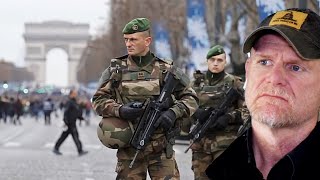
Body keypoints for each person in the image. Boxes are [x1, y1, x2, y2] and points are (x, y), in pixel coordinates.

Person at [205, 8, 320, 179]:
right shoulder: (215, 170)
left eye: (295, 67)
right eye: (264, 62)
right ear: (248, 68)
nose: (274, 78)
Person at [92, 17, 198, 179]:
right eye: (126, 39)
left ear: (147, 41)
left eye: (133, 39)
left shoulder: (166, 70)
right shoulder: (116, 70)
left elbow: (191, 98)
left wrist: (173, 112)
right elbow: (98, 100)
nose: (128, 44)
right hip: (130, 148)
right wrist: (120, 110)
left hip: (161, 147)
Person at [187, 45, 247, 180]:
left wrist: (228, 117)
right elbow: (183, 106)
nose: (215, 63)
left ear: (225, 62)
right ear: (207, 61)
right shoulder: (195, 84)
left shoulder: (234, 83)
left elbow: (246, 110)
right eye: (212, 59)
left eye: (220, 60)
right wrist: (196, 113)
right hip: (200, 142)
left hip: (225, 142)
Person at [52, 89, 88, 156]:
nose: (76, 95)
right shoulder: (70, 102)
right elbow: (66, 112)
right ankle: (80, 150)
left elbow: (75, 112)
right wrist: (65, 121)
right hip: (70, 123)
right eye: (74, 93)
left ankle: (56, 148)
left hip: (72, 122)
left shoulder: (74, 102)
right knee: (75, 136)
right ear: (71, 94)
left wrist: (81, 118)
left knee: (65, 136)